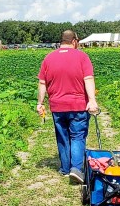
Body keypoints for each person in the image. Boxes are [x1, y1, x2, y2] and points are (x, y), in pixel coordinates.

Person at [37, 30, 99, 183]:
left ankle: (65, 168)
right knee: (77, 136)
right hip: (78, 105)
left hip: (57, 107)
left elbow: (42, 83)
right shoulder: (82, 56)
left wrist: (40, 103)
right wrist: (92, 100)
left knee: (62, 136)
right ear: (74, 41)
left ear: (61, 41)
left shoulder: (48, 58)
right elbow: (88, 78)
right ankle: (76, 169)